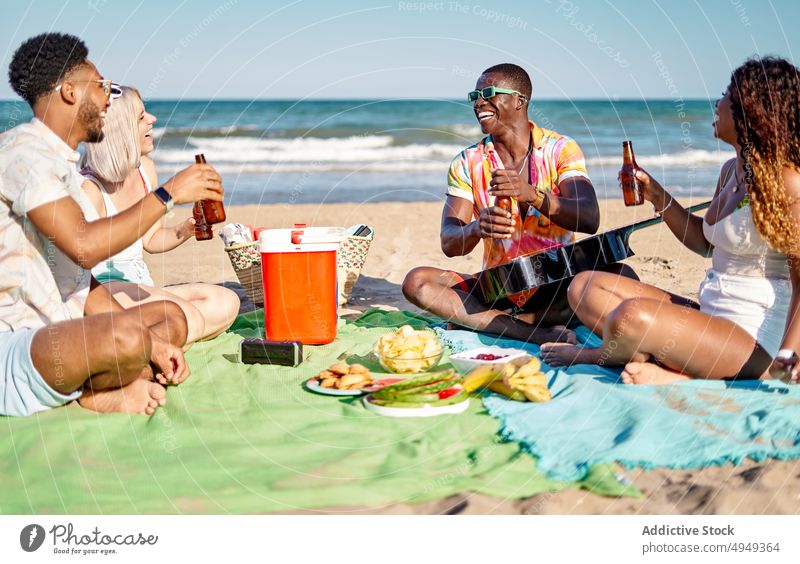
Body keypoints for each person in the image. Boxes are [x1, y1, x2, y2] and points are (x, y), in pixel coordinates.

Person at [540, 56, 800, 385]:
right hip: (709, 317)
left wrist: (789, 353)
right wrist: (657, 196)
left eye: (726, 95)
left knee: (630, 318)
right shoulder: (729, 172)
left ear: (750, 110)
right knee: (584, 287)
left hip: (755, 338)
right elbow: (705, 245)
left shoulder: (787, 181)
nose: (717, 104)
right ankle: (658, 356)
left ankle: (629, 361)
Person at [0, 33, 223, 416]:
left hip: (69, 327)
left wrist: (155, 345)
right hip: (19, 343)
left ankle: (118, 373)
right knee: (129, 337)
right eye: (102, 86)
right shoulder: (25, 155)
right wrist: (167, 194)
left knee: (170, 320)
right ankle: (95, 392)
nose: (108, 98)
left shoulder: (60, 164)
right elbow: (85, 246)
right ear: (69, 91)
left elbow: (82, 283)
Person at [403, 63, 616, 344]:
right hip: (500, 288)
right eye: (475, 96)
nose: (479, 102)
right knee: (417, 282)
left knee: (621, 275)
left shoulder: (560, 149)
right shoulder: (467, 162)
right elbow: (449, 243)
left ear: (519, 100)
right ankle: (531, 332)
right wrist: (477, 228)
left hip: (558, 285)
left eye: (488, 93)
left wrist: (532, 195)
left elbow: (589, 219)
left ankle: (497, 321)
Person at [81, 86, 240, 346]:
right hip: (106, 291)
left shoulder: (145, 170)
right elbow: (84, 261)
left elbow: (151, 239)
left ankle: (143, 341)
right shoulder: (90, 189)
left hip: (144, 287)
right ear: (120, 130)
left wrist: (185, 230)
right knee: (187, 315)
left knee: (226, 302)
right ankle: (147, 342)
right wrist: (170, 195)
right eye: (141, 117)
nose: (152, 119)